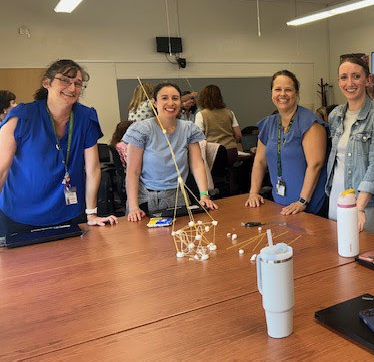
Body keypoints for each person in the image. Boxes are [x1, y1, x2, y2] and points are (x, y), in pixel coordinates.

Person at [0, 59, 117, 239]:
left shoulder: (86, 117)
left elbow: (93, 169)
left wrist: (92, 213)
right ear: (47, 83)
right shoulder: (22, 116)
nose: (72, 88)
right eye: (65, 80)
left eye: (78, 84)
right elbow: (2, 169)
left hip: (68, 212)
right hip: (19, 213)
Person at [123, 82, 217, 221]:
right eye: (164, 98)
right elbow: (133, 171)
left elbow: (197, 164)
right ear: (154, 103)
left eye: (175, 98)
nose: (170, 103)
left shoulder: (189, 129)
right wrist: (133, 207)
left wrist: (204, 195)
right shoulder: (141, 129)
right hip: (145, 200)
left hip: (178, 197)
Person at [326, 56, 374, 234]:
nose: (349, 83)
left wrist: (359, 207)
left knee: (366, 252)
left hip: (366, 200)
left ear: (368, 80)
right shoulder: (335, 115)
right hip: (337, 194)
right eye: (343, 77)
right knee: (338, 248)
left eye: (356, 76)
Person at [245, 70, 328, 216]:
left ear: (296, 93)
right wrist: (253, 193)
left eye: (288, 90)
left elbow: (315, 165)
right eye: (277, 89)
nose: (282, 94)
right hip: (280, 204)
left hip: (308, 206)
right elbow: (259, 161)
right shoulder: (268, 124)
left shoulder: (310, 123)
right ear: (271, 93)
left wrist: (302, 201)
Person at [195, 84, 242, 159]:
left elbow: (199, 137)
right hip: (231, 151)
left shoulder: (201, 115)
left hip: (213, 152)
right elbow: (238, 134)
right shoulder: (230, 113)